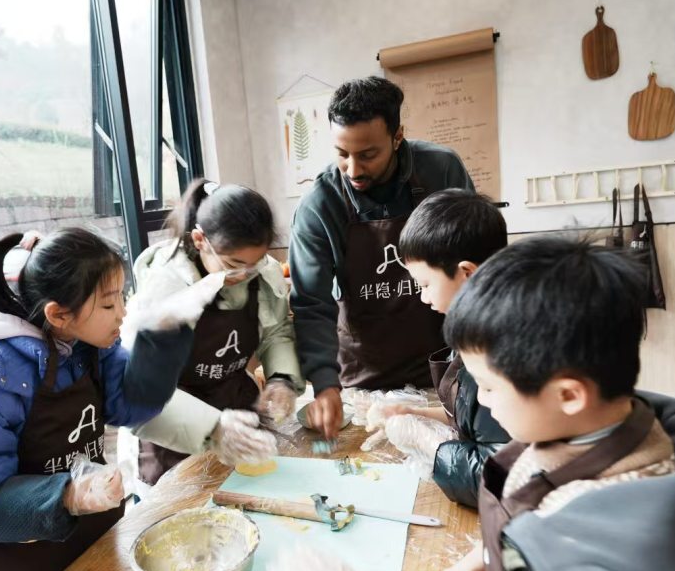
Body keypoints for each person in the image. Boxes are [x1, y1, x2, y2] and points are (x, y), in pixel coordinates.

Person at [271, 237, 675, 571]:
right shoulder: (584, 429)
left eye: (488, 387)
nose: (483, 401)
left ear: (568, 394)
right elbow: (523, 521)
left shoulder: (616, 562)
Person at [0, 227, 259, 571]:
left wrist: (161, 343)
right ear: (58, 313)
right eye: (109, 304)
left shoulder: (83, 346)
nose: (122, 313)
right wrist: (68, 495)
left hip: (80, 542)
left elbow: (131, 403)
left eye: (122, 297)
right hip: (13, 569)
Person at [288, 76, 473, 439]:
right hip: (363, 379)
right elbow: (311, 304)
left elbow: (474, 271)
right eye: (342, 154)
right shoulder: (319, 205)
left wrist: (475, 366)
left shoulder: (441, 172)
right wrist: (324, 382)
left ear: (397, 136)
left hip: (442, 367)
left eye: (368, 154)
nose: (353, 170)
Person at [125, 179, 302, 485]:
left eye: (255, 263)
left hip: (238, 410)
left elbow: (275, 331)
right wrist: (213, 428)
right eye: (234, 264)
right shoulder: (166, 289)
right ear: (200, 240)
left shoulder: (261, 271)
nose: (245, 274)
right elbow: (140, 392)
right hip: (175, 426)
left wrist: (282, 379)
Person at [366, 189, 509, 507]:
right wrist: (413, 413)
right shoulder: (474, 322)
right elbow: (473, 419)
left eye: (426, 284)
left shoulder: (501, 348)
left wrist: (428, 442)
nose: (422, 297)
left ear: (467, 273)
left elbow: (499, 482)